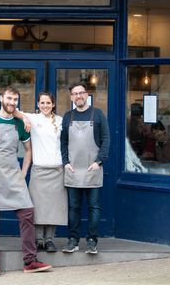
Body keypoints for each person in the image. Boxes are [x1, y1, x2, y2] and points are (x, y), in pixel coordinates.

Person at [0, 86, 51, 276]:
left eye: (15, 100)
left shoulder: (20, 123)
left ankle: (30, 261)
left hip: (13, 176)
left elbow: (29, 151)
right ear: (1, 98)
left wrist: (23, 175)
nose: (12, 102)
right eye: (9, 98)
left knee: (27, 214)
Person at [61, 82, 110, 255]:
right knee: (73, 208)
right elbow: (64, 142)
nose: (78, 96)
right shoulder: (68, 116)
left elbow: (106, 139)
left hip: (92, 168)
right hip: (73, 169)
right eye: (74, 94)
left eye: (81, 93)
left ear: (86, 94)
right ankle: (73, 240)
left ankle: (92, 241)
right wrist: (66, 162)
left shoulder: (97, 114)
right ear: (71, 97)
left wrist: (99, 161)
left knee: (93, 207)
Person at [15, 92, 67, 253]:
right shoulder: (34, 118)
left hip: (57, 170)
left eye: (48, 103)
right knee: (36, 207)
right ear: (38, 104)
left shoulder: (60, 121)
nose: (45, 106)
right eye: (42, 103)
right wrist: (24, 119)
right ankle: (39, 240)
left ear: (53, 104)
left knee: (53, 207)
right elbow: (14, 110)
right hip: (38, 170)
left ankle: (50, 240)